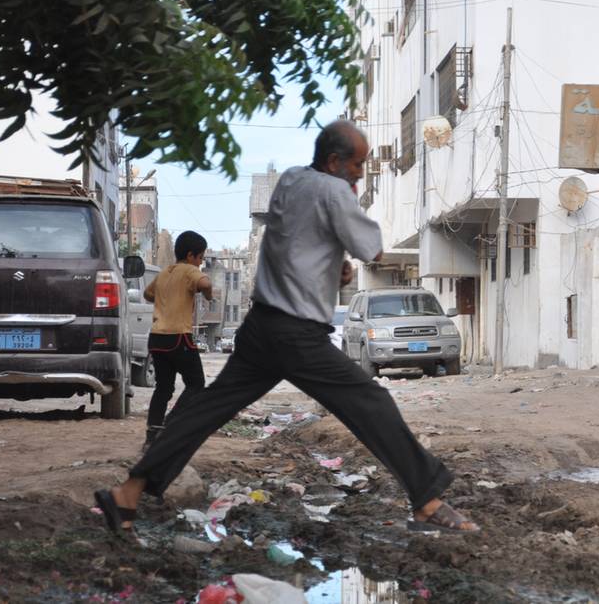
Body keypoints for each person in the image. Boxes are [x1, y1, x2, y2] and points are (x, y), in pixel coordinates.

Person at [94, 121, 479, 534]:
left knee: (205, 408)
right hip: (296, 334)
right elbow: (372, 248)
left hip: (261, 328)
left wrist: (334, 264)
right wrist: (346, 220)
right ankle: (427, 500)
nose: (361, 173)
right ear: (334, 162)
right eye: (358, 164)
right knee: (372, 403)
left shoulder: (291, 180)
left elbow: (298, 244)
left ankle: (127, 494)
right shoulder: (334, 190)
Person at [140, 231, 214, 451]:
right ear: (191, 255)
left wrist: (166, 298)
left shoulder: (164, 273)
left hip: (156, 338)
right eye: (201, 258)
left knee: (163, 387)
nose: (201, 263)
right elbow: (205, 282)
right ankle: (170, 425)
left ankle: (151, 437)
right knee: (196, 384)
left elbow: (147, 293)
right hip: (178, 337)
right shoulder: (190, 271)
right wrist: (208, 295)